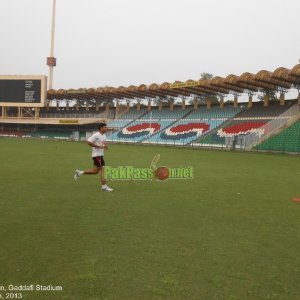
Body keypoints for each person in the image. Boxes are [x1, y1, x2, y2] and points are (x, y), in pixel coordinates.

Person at [74, 123, 113, 192]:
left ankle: (80, 172)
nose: (106, 128)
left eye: (106, 127)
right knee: (104, 171)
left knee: (95, 172)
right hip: (97, 155)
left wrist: (105, 145)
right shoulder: (96, 135)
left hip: (100, 155)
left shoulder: (104, 135)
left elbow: (103, 142)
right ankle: (104, 187)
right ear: (100, 128)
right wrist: (97, 146)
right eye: (105, 127)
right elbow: (88, 142)